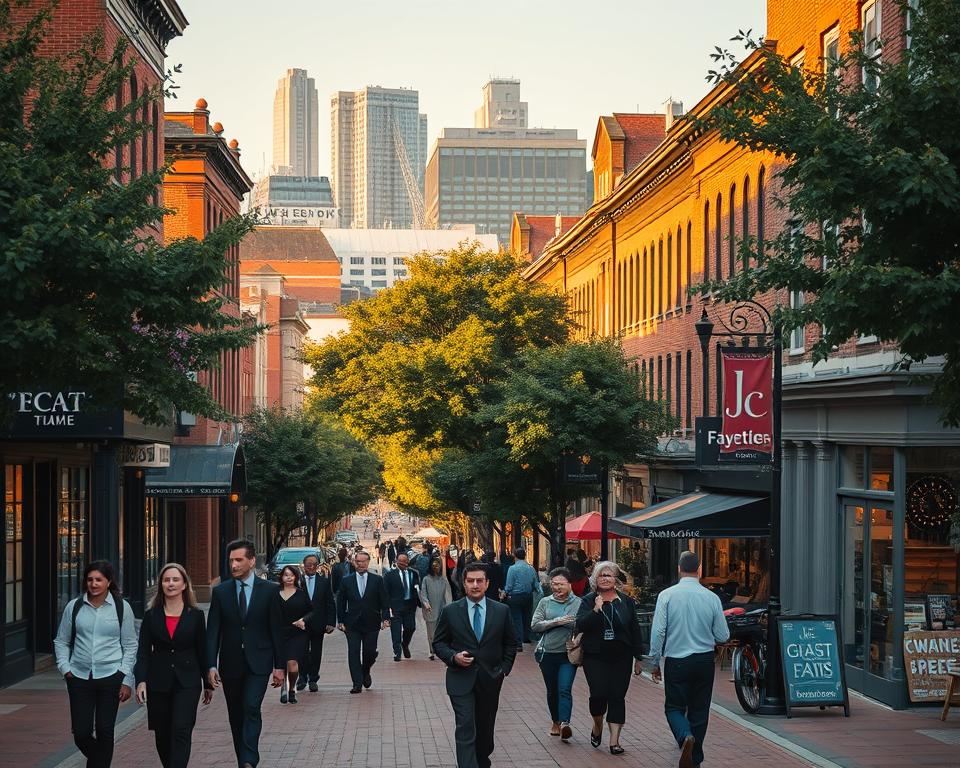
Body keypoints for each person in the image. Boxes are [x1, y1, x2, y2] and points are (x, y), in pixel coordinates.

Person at [206, 539, 284, 768]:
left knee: (251, 706)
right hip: (230, 663)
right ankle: (243, 759)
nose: (234, 565)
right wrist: (211, 664)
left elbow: (277, 630)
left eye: (239, 560)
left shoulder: (270, 590)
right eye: (231, 560)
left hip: (259, 662)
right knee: (236, 714)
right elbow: (213, 632)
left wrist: (279, 666)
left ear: (251, 561)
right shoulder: (220, 592)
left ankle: (250, 759)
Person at [649, 551, 730, 768]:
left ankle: (685, 736)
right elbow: (723, 635)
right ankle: (695, 758)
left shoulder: (666, 595)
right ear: (699, 570)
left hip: (677, 659)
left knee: (674, 707)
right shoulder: (712, 598)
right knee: (700, 709)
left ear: (679, 568)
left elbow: (658, 632)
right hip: (704, 660)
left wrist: (654, 661)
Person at [433, 562, 518, 768]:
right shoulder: (451, 611)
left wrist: (504, 669)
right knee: (465, 726)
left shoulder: (501, 610)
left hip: (490, 679)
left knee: (485, 728)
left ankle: (482, 760)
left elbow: (510, 643)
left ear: (487, 583)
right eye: (470, 581)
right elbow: (439, 643)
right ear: (464, 583)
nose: (475, 585)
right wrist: (453, 657)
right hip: (460, 679)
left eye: (479, 581)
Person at [54, 560, 137, 768]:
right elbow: (61, 641)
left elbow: (130, 645)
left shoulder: (122, 608)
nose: (93, 584)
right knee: (81, 733)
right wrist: (65, 668)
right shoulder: (74, 607)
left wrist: (126, 678)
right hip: (79, 676)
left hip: (111, 675)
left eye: (99, 579)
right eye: (90, 579)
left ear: (108, 581)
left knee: (105, 730)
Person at [134, 563, 213, 768]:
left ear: (184, 584)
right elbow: (143, 652)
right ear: (161, 584)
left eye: (175, 579)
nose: (170, 584)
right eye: (166, 580)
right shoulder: (151, 615)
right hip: (158, 681)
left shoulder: (195, 615)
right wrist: (141, 681)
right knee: (162, 733)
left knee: (181, 729)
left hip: (188, 681)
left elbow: (202, 650)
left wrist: (207, 683)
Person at [575, 561, 644, 756]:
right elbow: (580, 625)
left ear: (615, 579)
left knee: (617, 695)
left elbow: (634, 629)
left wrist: (638, 657)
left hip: (622, 656)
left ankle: (615, 741)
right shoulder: (588, 600)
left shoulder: (626, 601)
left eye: (609, 575)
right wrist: (595, 610)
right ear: (595, 579)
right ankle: (597, 725)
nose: (605, 579)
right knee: (598, 694)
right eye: (601, 575)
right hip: (595, 656)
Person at [530, 567, 582, 742]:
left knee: (564, 689)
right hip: (547, 653)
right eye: (554, 584)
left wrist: (574, 626)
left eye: (561, 584)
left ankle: (565, 723)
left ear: (569, 584)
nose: (557, 587)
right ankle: (555, 721)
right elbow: (535, 625)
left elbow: (583, 624)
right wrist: (556, 621)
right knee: (552, 690)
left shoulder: (579, 603)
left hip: (568, 654)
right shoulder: (545, 602)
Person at [335, 550, 391, 693]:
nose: (360, 564)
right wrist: (340, 620)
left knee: (370, 652)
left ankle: (365, 671)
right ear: (354, 562)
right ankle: (357, 683)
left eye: (363, 561)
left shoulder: (377, 580)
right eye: (357, 561)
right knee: (353, 652)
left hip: (372, 622)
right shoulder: (346, 580)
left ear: (368, 562)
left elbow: (384, 601)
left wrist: (385, 618)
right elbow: (340, 602)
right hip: (352, 623)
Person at [296, 553, 336, 693]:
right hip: (301, 624)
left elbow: (330, 603)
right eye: (309, 564)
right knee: (301, 652)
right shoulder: (298, 582)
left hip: (318, 623)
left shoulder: (324, 582)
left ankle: (313, 679)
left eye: (314, 564)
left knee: (316, 652)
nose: (311, 567)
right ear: (304, 565)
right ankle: (302, 677)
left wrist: (331, 622)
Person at [277, 565, 312, 704]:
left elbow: (311, 611)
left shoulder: (301, 594)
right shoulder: (275, 594)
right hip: (280, 633)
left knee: (292, 663)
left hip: (297, 633)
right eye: (286, 575)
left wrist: (303, 620)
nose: (289, 577)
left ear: (296, 577)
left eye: (292, 575)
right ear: (281, 577)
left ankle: (292, 688)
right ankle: (283, 687)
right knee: (282, 662)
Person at [384, 552, 421, 661]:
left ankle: (405, 644)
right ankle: (397, 652)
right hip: (395, 607)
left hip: (410, 606)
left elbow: (417, 589)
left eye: (405, 561)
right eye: (400, 561)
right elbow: (385, 594)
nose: (402, 563)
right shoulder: (389, 575)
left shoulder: (413, 573)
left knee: (411, 627)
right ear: (396, 561)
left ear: (408, 561)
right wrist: (386, 611)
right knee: (396, 631)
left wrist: (420, 602)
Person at [503, 548, 539, 650]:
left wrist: (505, 592)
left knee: (516, 619)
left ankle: (518, 642)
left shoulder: (512, 569)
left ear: (515, 556)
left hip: (515, 596)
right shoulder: (531, 568)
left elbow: (509, 585)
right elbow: (535, 583)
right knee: (527, 617)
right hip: (528, 596)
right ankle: (526, 638)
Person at [421, 557, 452, 660]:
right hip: (430, 610)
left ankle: (441, 649)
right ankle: (432, 651)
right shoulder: (426, 579)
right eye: (434, 565)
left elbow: (448, 594)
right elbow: (423, 593)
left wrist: (449, 607)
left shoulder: (443, 580)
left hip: (442, 609)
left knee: (442, 631)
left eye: (438, 565)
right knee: (431, 633)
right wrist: (426, 604)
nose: (436, 567)